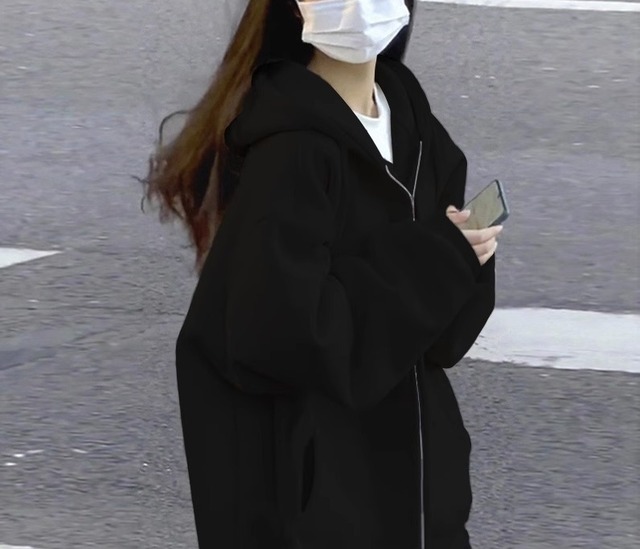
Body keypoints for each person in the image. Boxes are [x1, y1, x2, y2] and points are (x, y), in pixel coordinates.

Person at [141, 1, 503, 547]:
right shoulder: (292, 149)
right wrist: (437, 261)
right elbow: (289, 333)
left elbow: (444, 338)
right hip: (328, 507)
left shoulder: (415, 125)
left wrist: (464, 256)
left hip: (423, 500)